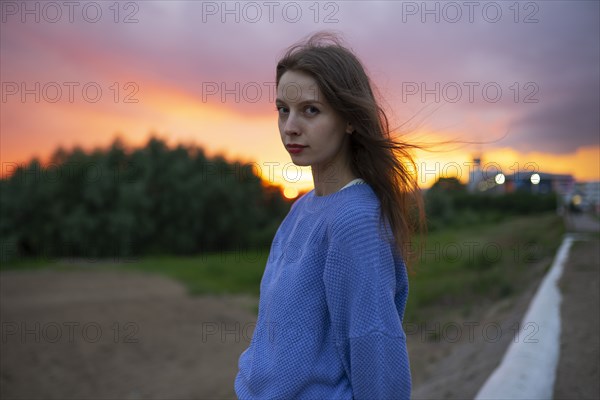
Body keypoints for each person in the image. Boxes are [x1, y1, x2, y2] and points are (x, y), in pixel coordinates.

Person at [234, 31, 424, 400]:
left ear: (350, 119)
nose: (290, 126)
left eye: (311, 110)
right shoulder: (302, 208)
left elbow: (375, 349)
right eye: (283, 109)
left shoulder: (356, 222)